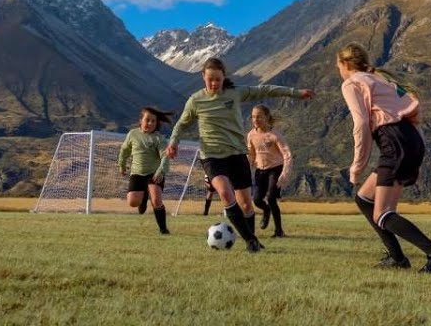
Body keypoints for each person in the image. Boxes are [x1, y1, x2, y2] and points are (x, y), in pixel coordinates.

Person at [166, 57, 315, 252]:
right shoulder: (195, 100)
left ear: (223, 78)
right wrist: (173, 142)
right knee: (226, 193)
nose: (214, 84)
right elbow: (181, 124)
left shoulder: (235, 94)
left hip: (237, 155)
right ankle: (251, 241)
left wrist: (295, 93)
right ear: (203, 77)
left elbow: (264, 90)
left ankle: (250, 241)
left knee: (246, 204)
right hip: (212, 156)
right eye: (210, 79)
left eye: (218, 80)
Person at [337, 43, 431, 274]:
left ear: (345, 64)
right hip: (410, 139)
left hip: (395, 142)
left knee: (382, 213)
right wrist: (415, 154)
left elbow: (361, 124)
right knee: (364, 199)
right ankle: (397, 258)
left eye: (338, 66)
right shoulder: (383, 80)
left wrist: (356, 167)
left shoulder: (352, 83)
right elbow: (414, 113)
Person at [119, 106, 175, 235]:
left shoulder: (159, 139)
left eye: (153, 121)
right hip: (137, 173)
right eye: (147, 120)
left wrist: (161, 171)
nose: (150, 123)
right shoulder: (132, 134)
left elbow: (165, 157)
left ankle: (163, 229)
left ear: (157, 124)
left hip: (154, 173)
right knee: (133, 202)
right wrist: (121, 165)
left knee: (156, 200)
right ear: (141, 120)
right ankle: (143, 197)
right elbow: (124, 150)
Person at [247, 105, 293, 237]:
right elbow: (251, 154)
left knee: (272, 198)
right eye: (253, 116)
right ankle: (266, 210)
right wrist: (247, 163)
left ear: (266, 117)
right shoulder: (251, 135)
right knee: (256, 200)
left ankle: (279, 231)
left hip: (275, 169)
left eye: (259, 116)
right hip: (260, 171)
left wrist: (285, 174)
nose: (256, 119)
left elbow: (287, 154)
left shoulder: (274, 135)